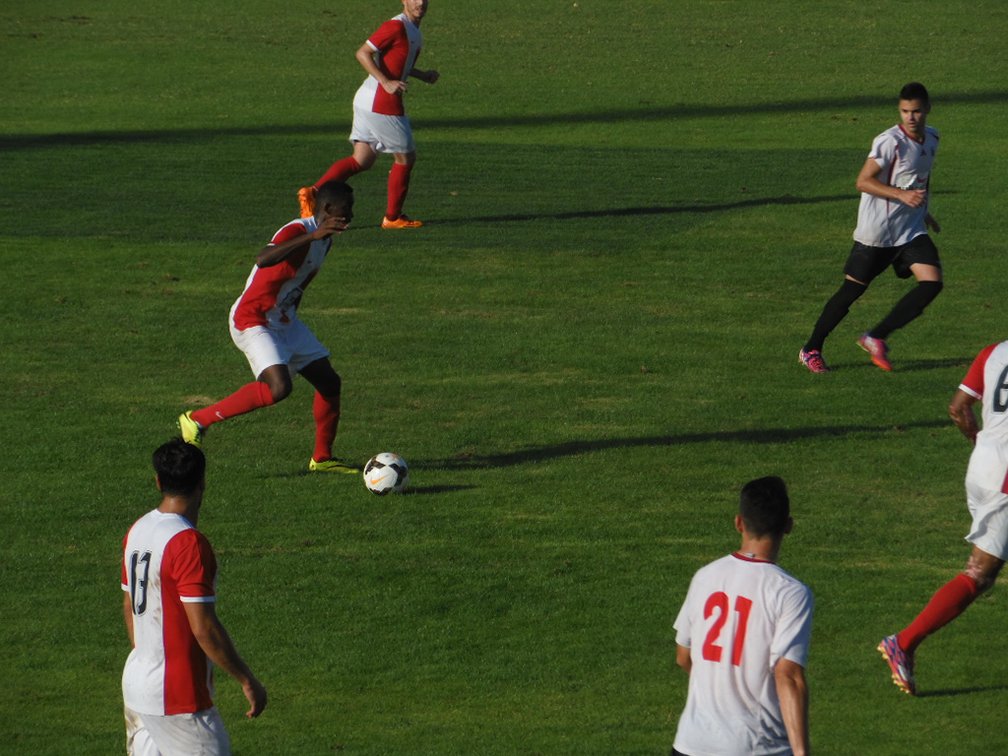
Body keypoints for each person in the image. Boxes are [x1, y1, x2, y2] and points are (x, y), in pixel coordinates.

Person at [178, 180, 357, 474]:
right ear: (327, 208)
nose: (351, 215)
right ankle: (197, 420)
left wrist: (290, 316)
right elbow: (263, 258)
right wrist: (311, 237)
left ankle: (322, 459)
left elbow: (297, 283)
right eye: (346, 208)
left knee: (329, 382)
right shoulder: (297, 231)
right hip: (253, 319)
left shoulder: (326, 240)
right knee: (279, 387)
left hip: (283, 320)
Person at [878, 339, 1008, 696]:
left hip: (982, 466)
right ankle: (903, 642)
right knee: (979, 572)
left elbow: (958, 407)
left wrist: (981, 443)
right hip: (1005, 483)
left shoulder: (995, 351)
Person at [121, 439, 267, 755]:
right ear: (202, 482)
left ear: (158, 481)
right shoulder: (187, 544)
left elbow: (130, 604)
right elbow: (203, 627)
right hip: (178, 696)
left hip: (137, 684)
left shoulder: (138, 529)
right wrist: (246, 679)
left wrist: (148, 656)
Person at [799, 82, 942, 374]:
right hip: (877, 234)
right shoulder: (890, 142)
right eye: (905, 111)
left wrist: (924, 211)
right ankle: (811, 348)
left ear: (927, 109)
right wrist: (902, 196)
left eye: (916, 111)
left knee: (932, 283)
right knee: (850, 292)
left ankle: (876, 337)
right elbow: (863, 181)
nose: (910, 117)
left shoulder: (932, 138)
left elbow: (920, 178)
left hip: (910, 230)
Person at [672, 476, 813, 756]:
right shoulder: (790, 593)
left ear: (739, 523)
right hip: (756, 747)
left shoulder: (705, 576)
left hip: (690, 743)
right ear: (788, 525)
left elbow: (683, 657)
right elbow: (788, 676)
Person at [298, 0, 439, 229]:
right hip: (380, 103)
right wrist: (386, 82)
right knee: (405, 158)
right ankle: (393, 218)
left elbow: (396, 62)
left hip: (368, 101)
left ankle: (313, 193)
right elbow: (363, 53)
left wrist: (422, 75)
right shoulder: (395, 26)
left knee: (362, 159)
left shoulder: (413, 30)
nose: (420, 2)